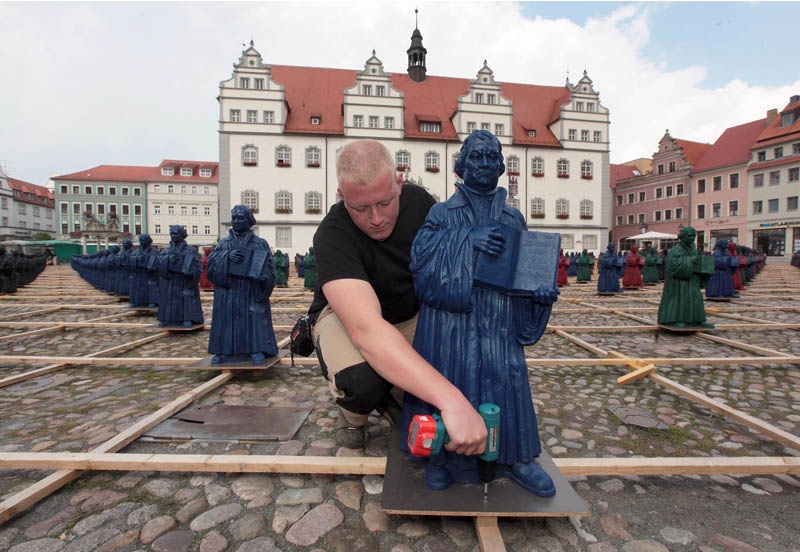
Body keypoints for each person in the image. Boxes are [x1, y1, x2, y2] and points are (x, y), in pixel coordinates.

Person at [402, 130, 558, 497]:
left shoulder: (513, 217)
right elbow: (420, 263)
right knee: (451, 379)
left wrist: (538, 297)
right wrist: (467, 241)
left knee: (507, 380)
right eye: (477, 156)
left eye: (492, 157)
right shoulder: (442, 213)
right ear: (461, 165)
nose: (485, 163)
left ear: (502, 165)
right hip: (451, 323)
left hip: (499, 318)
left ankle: (514, 457)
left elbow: (523, 268)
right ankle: (441, 458)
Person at [308, 139, 487, 455]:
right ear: (341, 196)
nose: (376, 218)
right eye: (361, 208)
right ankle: (353, 415)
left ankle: (394, 393)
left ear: (399, 183)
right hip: (347, 319)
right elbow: (366, 330)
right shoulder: (332, 234)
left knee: (462, 359)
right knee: (361, 380)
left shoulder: (420, 204)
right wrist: (452, 400)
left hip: (411, 313)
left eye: (385, 202)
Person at [207, 205, 278, 364]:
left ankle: (255, 350)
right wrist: (226, 257)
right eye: (234, 218)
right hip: (229, 290)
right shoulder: (223, 244)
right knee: (226, 319)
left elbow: (269, 269)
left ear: (249, 221)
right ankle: (222, 351)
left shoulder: (260, 243)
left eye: (241, 218)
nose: (236, 221)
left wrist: (262, 277)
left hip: (250, 290)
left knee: (253, 318)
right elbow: (211, 267)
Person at [657, 226, 714, 329]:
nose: (692, 238)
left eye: (693, 236)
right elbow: (672, 265)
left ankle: (699, 320)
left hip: (692, 279)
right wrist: (690, 260)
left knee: (696, 298)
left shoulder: (693, 249)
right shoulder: (675, 250)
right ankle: (679, 319)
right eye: (689, 236)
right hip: (679, 281)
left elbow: (696, 260)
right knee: (681, 299)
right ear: (682, 237)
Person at [155, 225, 204, 328]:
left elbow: (197, 266)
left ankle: (187, 318)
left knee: (186, 299)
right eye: (171, 234)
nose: (173, 236)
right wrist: (167, 260)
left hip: (184, 281)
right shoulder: (166, 250)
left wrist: (191, 272)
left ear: (182, 235)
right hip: (170, 280)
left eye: (176, 234)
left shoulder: (191, 250)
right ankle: (165, 319)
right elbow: (158, 265)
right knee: (168, 300)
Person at [129, 234, 160, 308]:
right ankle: (137, 302)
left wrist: (145, 259)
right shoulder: (136, 251)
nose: (142, 242)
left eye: (143, 240)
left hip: (149, 274)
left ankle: (152, 301)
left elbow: (157, 261)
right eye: (140, 240)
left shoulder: (154, 251)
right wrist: (136, 259)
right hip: (139, 273)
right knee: (138, 288)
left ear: (148, 241)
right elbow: (131, 259)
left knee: (150, 287)